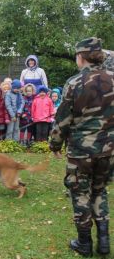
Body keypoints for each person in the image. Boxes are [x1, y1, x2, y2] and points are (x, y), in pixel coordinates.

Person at [49, 37, 114, 257]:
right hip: (109, 149)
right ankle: (104, 242)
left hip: (81, 152)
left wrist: (55, 144)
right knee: (99, 190)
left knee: (80, 193)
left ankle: (84, 243)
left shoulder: (75, 83)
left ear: (81, 56)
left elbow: (63, 119)